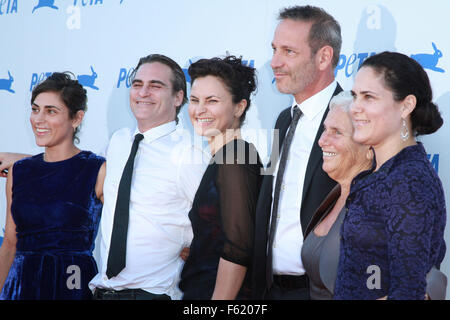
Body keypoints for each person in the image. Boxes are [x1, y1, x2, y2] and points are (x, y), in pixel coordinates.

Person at [88, 54, 208, 300]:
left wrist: (194, 248)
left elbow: (218, 224)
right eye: (137, 84)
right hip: (102, 292)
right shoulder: (118, 141)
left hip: (154, 294)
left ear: (178, 97)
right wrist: (24, 163)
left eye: (155, 85)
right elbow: (78, 171)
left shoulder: (189, 153)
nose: (143, 93)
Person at [334, 51, 446, 299]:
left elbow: (407, 293)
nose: (355, 108)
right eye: (355, 96)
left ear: (406, 105)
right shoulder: (382, 173)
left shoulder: (409, 181)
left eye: (369, 97)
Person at [253, 5, 343, 299]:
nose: (274, 62)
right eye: (274, 49)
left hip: (323, 291)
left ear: (324, 57)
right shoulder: (283, 120)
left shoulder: (354, 120)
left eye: (288, 52)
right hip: (270, 289)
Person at [0, 72, 106, 300]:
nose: (38, 119)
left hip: (72, 282)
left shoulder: (97, 169)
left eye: (51, 111)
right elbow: (9, 244)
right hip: (21, 286)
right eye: (35, 109)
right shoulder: (19, 171)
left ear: (77, 118)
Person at [178, 56, 262, 300]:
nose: (199, 110)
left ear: (239, 107)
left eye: (212, 101)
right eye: (194, 100)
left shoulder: (236, 156)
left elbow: (239, 247)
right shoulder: (223, 158)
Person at [300, 91, 373, 300]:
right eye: (324, 130)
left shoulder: (378, 203)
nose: (322, 141)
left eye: (337, 132)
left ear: (369, 145)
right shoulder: (335, 195)